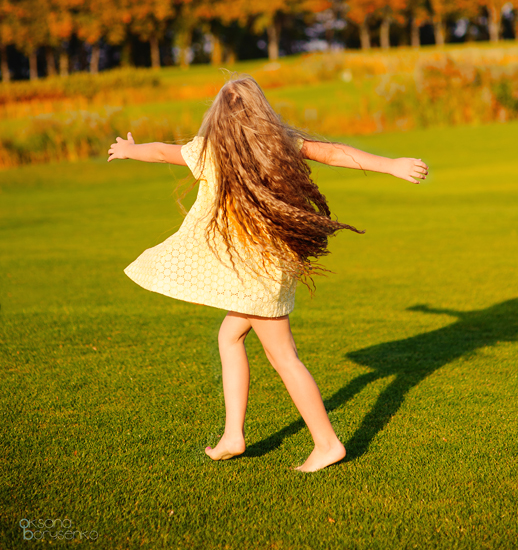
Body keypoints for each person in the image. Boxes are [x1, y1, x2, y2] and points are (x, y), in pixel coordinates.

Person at [108, 75, 428, 472]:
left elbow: (160, 152)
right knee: (229, 336)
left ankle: (327, 443)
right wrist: (391, 165)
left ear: (218, 116)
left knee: (284, 358)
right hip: (272, 268)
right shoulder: (280, 145)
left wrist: (129, 150)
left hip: (253, 275)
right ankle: (233, 435)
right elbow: (334, 154)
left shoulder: (212, 151)